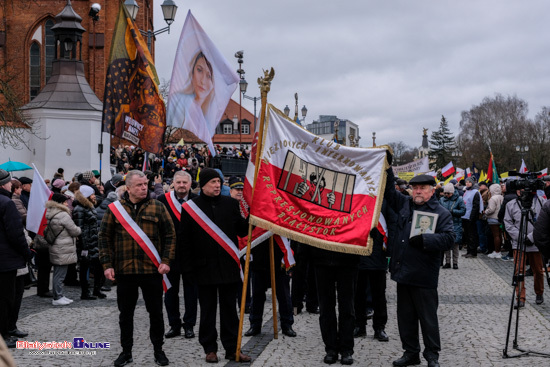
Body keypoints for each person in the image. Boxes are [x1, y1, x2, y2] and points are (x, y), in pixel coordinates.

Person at [99, 170, 175, 367]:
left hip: (152, 270)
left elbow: (170, 236)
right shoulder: (114, 209)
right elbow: (104, 238)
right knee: (126, 315)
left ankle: (159, 350)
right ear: (129, 188)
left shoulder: (157, 207)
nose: (144, 188)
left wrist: (166, 260)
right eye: (139, 185)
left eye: (145, 184)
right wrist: (107, 265)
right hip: (125, 271)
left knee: (156, 313)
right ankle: (126, 351)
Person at [384, 162, 454, 367]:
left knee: (428, 319)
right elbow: (388, 191)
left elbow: (450, 238)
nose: (418, 191)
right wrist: (387, 167)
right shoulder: (405, 204)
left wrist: (425, 240)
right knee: (405, 318)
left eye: (422, 188)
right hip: (403, 272)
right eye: (415, 188)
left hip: (424, 275)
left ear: (432, 191)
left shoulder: (441, 213)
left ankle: (432, 355)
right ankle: (411, 353)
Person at [179, 168, 251, 363]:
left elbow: (242, 232)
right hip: (203, 268)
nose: (217, 185)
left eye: (219, 182)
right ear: (203, 185)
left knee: (230, 311)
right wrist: (187, 270)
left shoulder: (230, 204)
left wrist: (253, 214)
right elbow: (184, 241)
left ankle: (232, 348)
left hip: (228, 267)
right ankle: (209, 348)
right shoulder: (191, 207)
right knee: (208, 310)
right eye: (213, 182)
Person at [157, 171, 198, 340]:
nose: (182, 185)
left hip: (191, 256)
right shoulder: (162, 201)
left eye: (185, 182)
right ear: (173, 183)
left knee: (191, 293)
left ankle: (189, 325)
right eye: (179, 182)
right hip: (170, 255)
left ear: (190, 184)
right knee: (170, 292)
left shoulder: (197, 201)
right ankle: (174, 325)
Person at [0, 169, 30, 348]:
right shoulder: (7, 203)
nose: (12, 185)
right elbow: (15, 234)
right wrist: (26, 253)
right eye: (10, 183)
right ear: (4, 184)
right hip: (5, 260)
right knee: (5, 298)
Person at [503, 189, 546, 307]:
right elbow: (508, 223)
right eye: (518, 190)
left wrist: (531, 237)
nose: (520, 192)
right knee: (519, 271)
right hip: (518, 243)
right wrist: (520, 237)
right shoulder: (511, 204)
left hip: (535, 242)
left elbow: (543, 223)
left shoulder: (541, 202)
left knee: (538, 270)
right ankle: (520, 298)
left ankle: (539, 292)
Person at [46, 194, 81, 306]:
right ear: (60, 203)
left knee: (58, 273)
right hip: (63, 247)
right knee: (60, 274)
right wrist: (79, 229)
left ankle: (59, 295)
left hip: (58, 246)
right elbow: (74, 230)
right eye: (65, 202)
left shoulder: (52, 213)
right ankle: (57, 297)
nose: (67, 204)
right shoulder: (62, 215)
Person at [73, 185, 104, 300]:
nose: (94, 196)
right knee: (84, 268)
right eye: (91, 194)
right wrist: (84, 246)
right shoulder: (79, 209)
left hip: (94, 242)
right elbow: (80, 229)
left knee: (98, 267)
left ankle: (97, 290)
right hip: (86, 244)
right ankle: (85, 292)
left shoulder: (89, 206)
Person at [169, 51, 215, 128]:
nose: (203, 81)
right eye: (199, 70)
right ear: (192, 71)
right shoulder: (178, 101)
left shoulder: (210, 114)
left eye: (209, 76)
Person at [439, 183, 466, 269]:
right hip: (445, 223)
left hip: (456, 224)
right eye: (445, 193)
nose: (446, 195)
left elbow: (463, 211)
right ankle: (447, 262)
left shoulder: (459, 199)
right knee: (446, 244)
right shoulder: (442, 200)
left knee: (455, 244)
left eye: (448, 193)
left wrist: (452, 211)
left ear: (452, 192)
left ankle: (455, 263)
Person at [462, 177, 483, 258]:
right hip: (465, 216)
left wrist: (472, 217)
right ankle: (469, 251)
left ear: (472, 183)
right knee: (467, 235)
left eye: (469, 182)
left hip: (471, 217)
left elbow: (475, 206)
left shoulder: (475, 192)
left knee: (472, 235)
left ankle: (473, 252)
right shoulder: (466, 191)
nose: (467, 183)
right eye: (466, 182)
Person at [485, 184, 504, 259]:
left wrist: (485, 212)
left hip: (493, 218)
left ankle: (497, 252)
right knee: (499, 235)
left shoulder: (493, 198)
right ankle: (498, 250)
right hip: (500, 218)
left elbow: (491, 209)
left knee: (496, 236)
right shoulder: (502, 197)